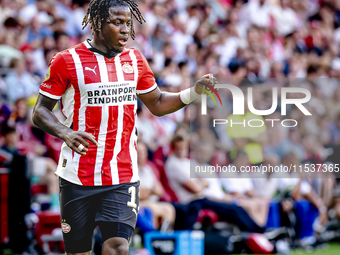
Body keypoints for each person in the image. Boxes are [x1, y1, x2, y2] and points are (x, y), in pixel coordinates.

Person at [32, 0, 217, 254]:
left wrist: (192, 92)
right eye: (117, 23)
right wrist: (66, 132)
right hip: (77, 175)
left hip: (122, 175)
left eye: (128, 23)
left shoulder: (135, 60)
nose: (125, 30)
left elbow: (159, 103)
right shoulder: (67, 61)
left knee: (118, 247)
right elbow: (40, 111)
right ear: (97, 24)